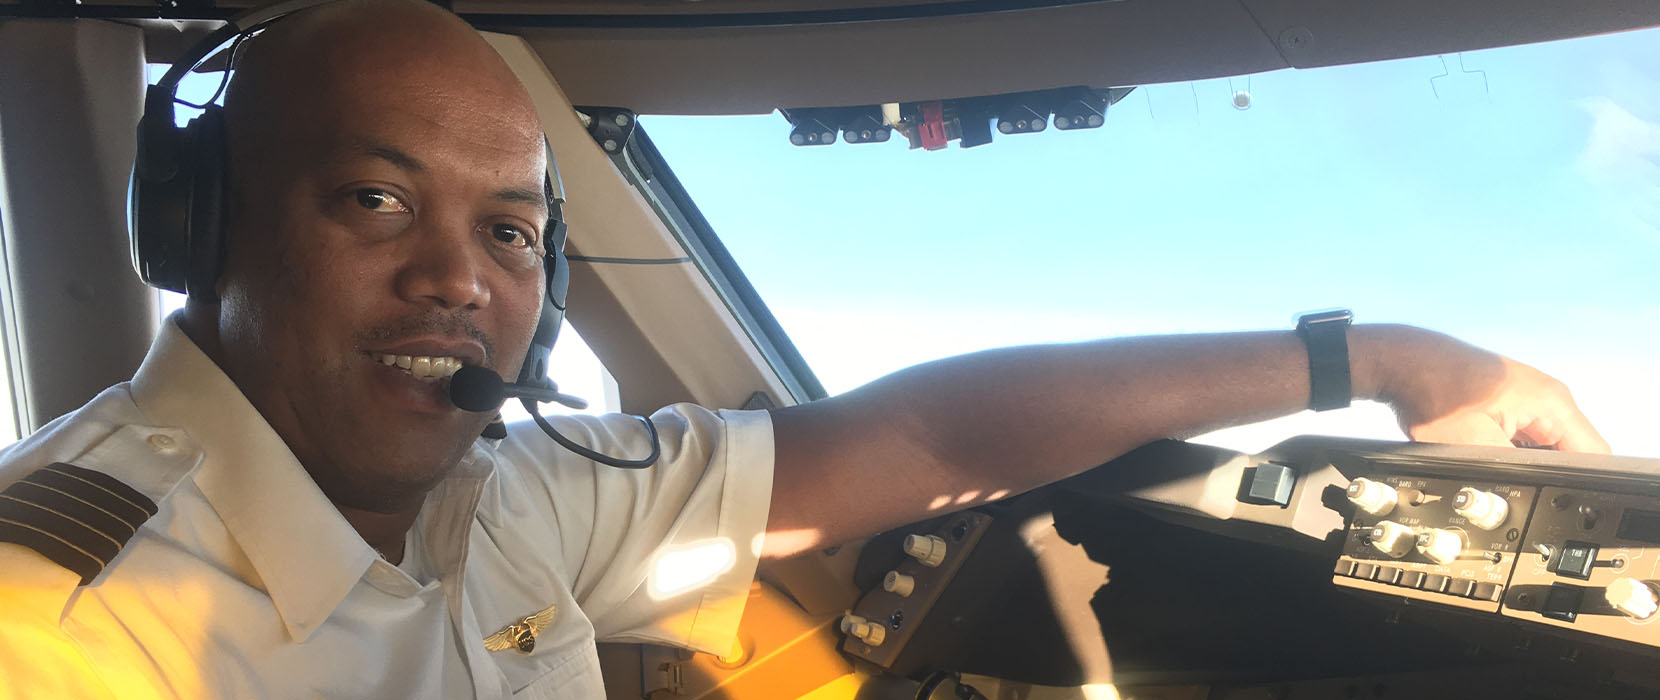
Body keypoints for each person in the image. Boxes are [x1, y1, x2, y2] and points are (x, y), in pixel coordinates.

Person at [0, 0, 1608, 697]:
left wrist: (1371, 355)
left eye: (509, 231)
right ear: (199, 234)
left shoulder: (509, 490)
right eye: (373, 199)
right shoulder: (59, 624)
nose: (459, 281)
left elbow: (910, 445)